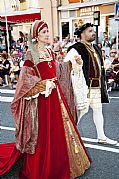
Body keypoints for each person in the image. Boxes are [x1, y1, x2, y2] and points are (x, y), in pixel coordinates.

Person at [0, 20, 91, 179]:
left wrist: (71, 63)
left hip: (56, 96)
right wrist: (41, 84)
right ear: (36, 35)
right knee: (45, 132)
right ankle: (46, 165)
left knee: (59, 130)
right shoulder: (31, 53)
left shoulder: (49, 51)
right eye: (43, 32)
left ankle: (63, 162)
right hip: (43, 99)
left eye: (48, 31)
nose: (47, 34)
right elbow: (25, 78)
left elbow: (58, 69)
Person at [64, 23, 118, 145]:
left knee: (98, 111)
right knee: (79, 112)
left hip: (97, 86)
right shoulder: (76, 49)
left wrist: (105, 64)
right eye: (90, 31)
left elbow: (99, 64)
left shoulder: (96, 48)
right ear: (82, 34)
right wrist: (76, 63)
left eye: (93, 31)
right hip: (84, 87)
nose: (93, 33)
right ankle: (67, 138)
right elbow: (65, 65)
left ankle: (102, 137)